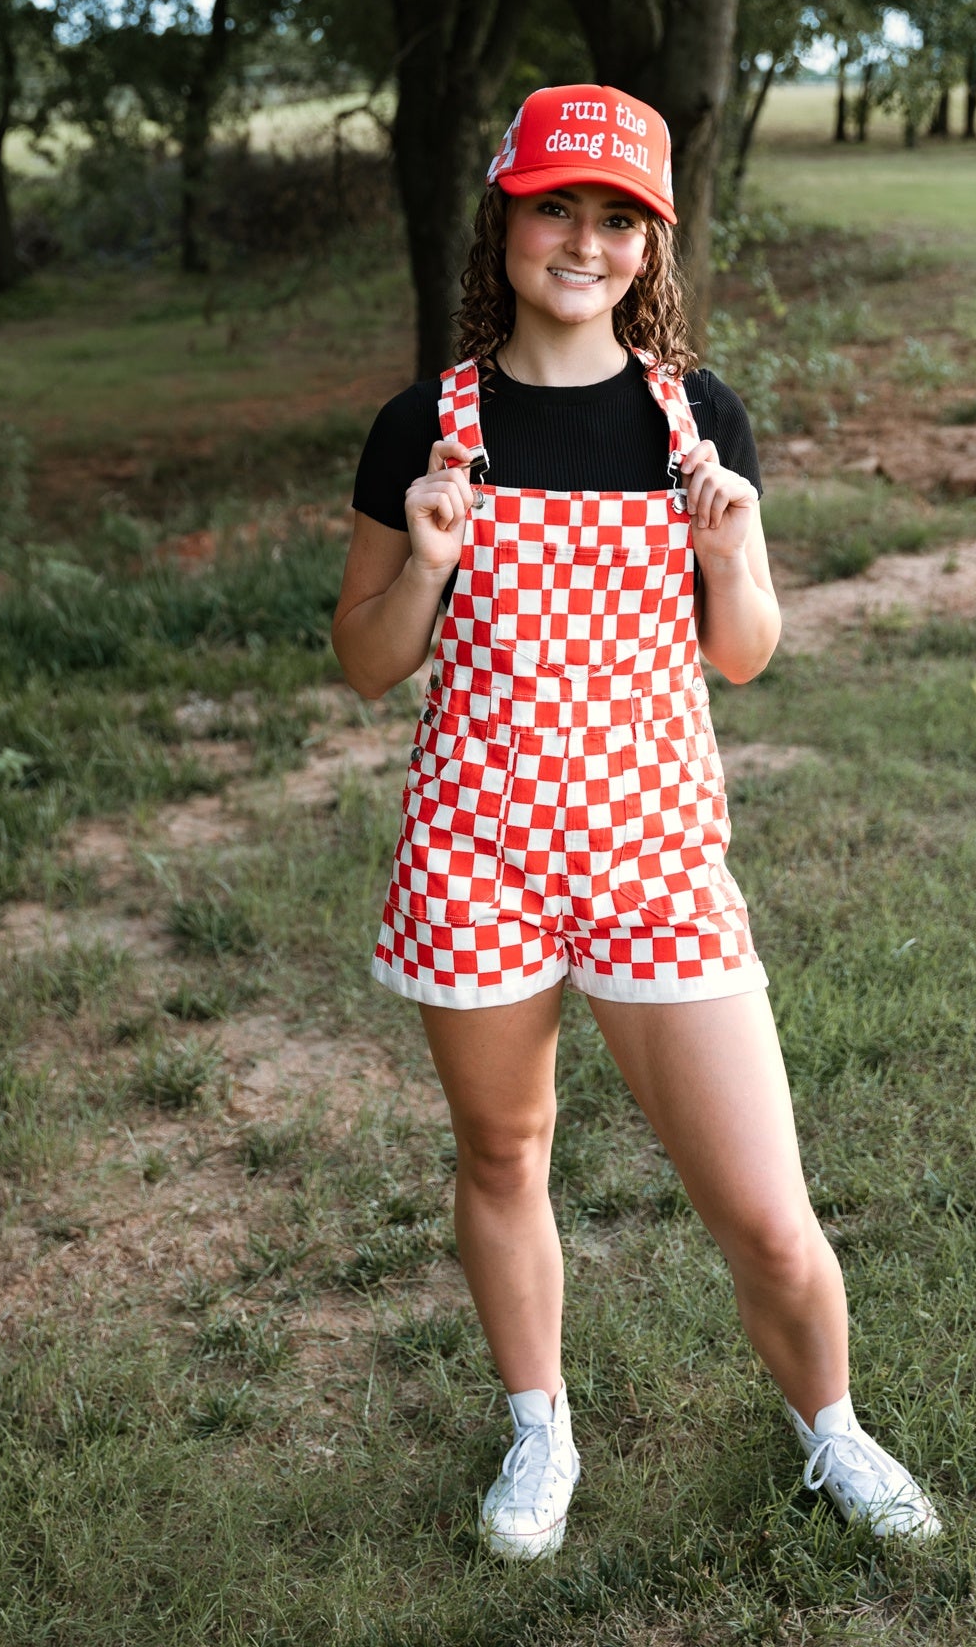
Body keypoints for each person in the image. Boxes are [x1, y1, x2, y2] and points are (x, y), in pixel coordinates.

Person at [332, 85, 939, 1560]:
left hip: (653, 850)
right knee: (501, 1153)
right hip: (475, 850)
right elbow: (364, 658)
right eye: (557, 208)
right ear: (506, 218)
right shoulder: (427, 422)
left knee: (766, 1209)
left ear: (650, 244)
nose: (583, 241)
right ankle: (539, 1426)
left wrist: (731, 554)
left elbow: (742, 653)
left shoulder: (693, 417)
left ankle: (831, 1433)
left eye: (616, 217)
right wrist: (424, 558)